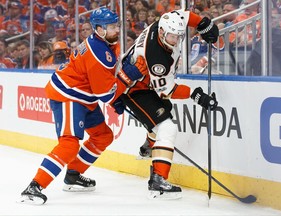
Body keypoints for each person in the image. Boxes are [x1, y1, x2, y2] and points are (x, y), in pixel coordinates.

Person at [19, 7, 148, 205]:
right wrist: (126, 77)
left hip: (84, 95)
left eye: (116, 25)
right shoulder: (98, 52)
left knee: (103, 135)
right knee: (69, 143)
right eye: (112, 26)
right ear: (99, 29)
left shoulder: (105, 43)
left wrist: (117, 96)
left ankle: (73, 174)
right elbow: (105, 94)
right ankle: (35, 186)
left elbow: (105, 84)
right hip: (69, 95)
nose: (117, 30)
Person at [116, 9, 219, 199]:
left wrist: (203, 24)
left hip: (143, 84)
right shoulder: (157, 58)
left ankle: (149, 145)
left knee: (165, 112)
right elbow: (167, 91)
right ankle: (158, 182)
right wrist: (196, 95)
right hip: (133, 89)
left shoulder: (163, 22)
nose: (176, 40)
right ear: (162, 33)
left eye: (179, 36)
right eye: (173, 37)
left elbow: (184, 15)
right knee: (168, 127)